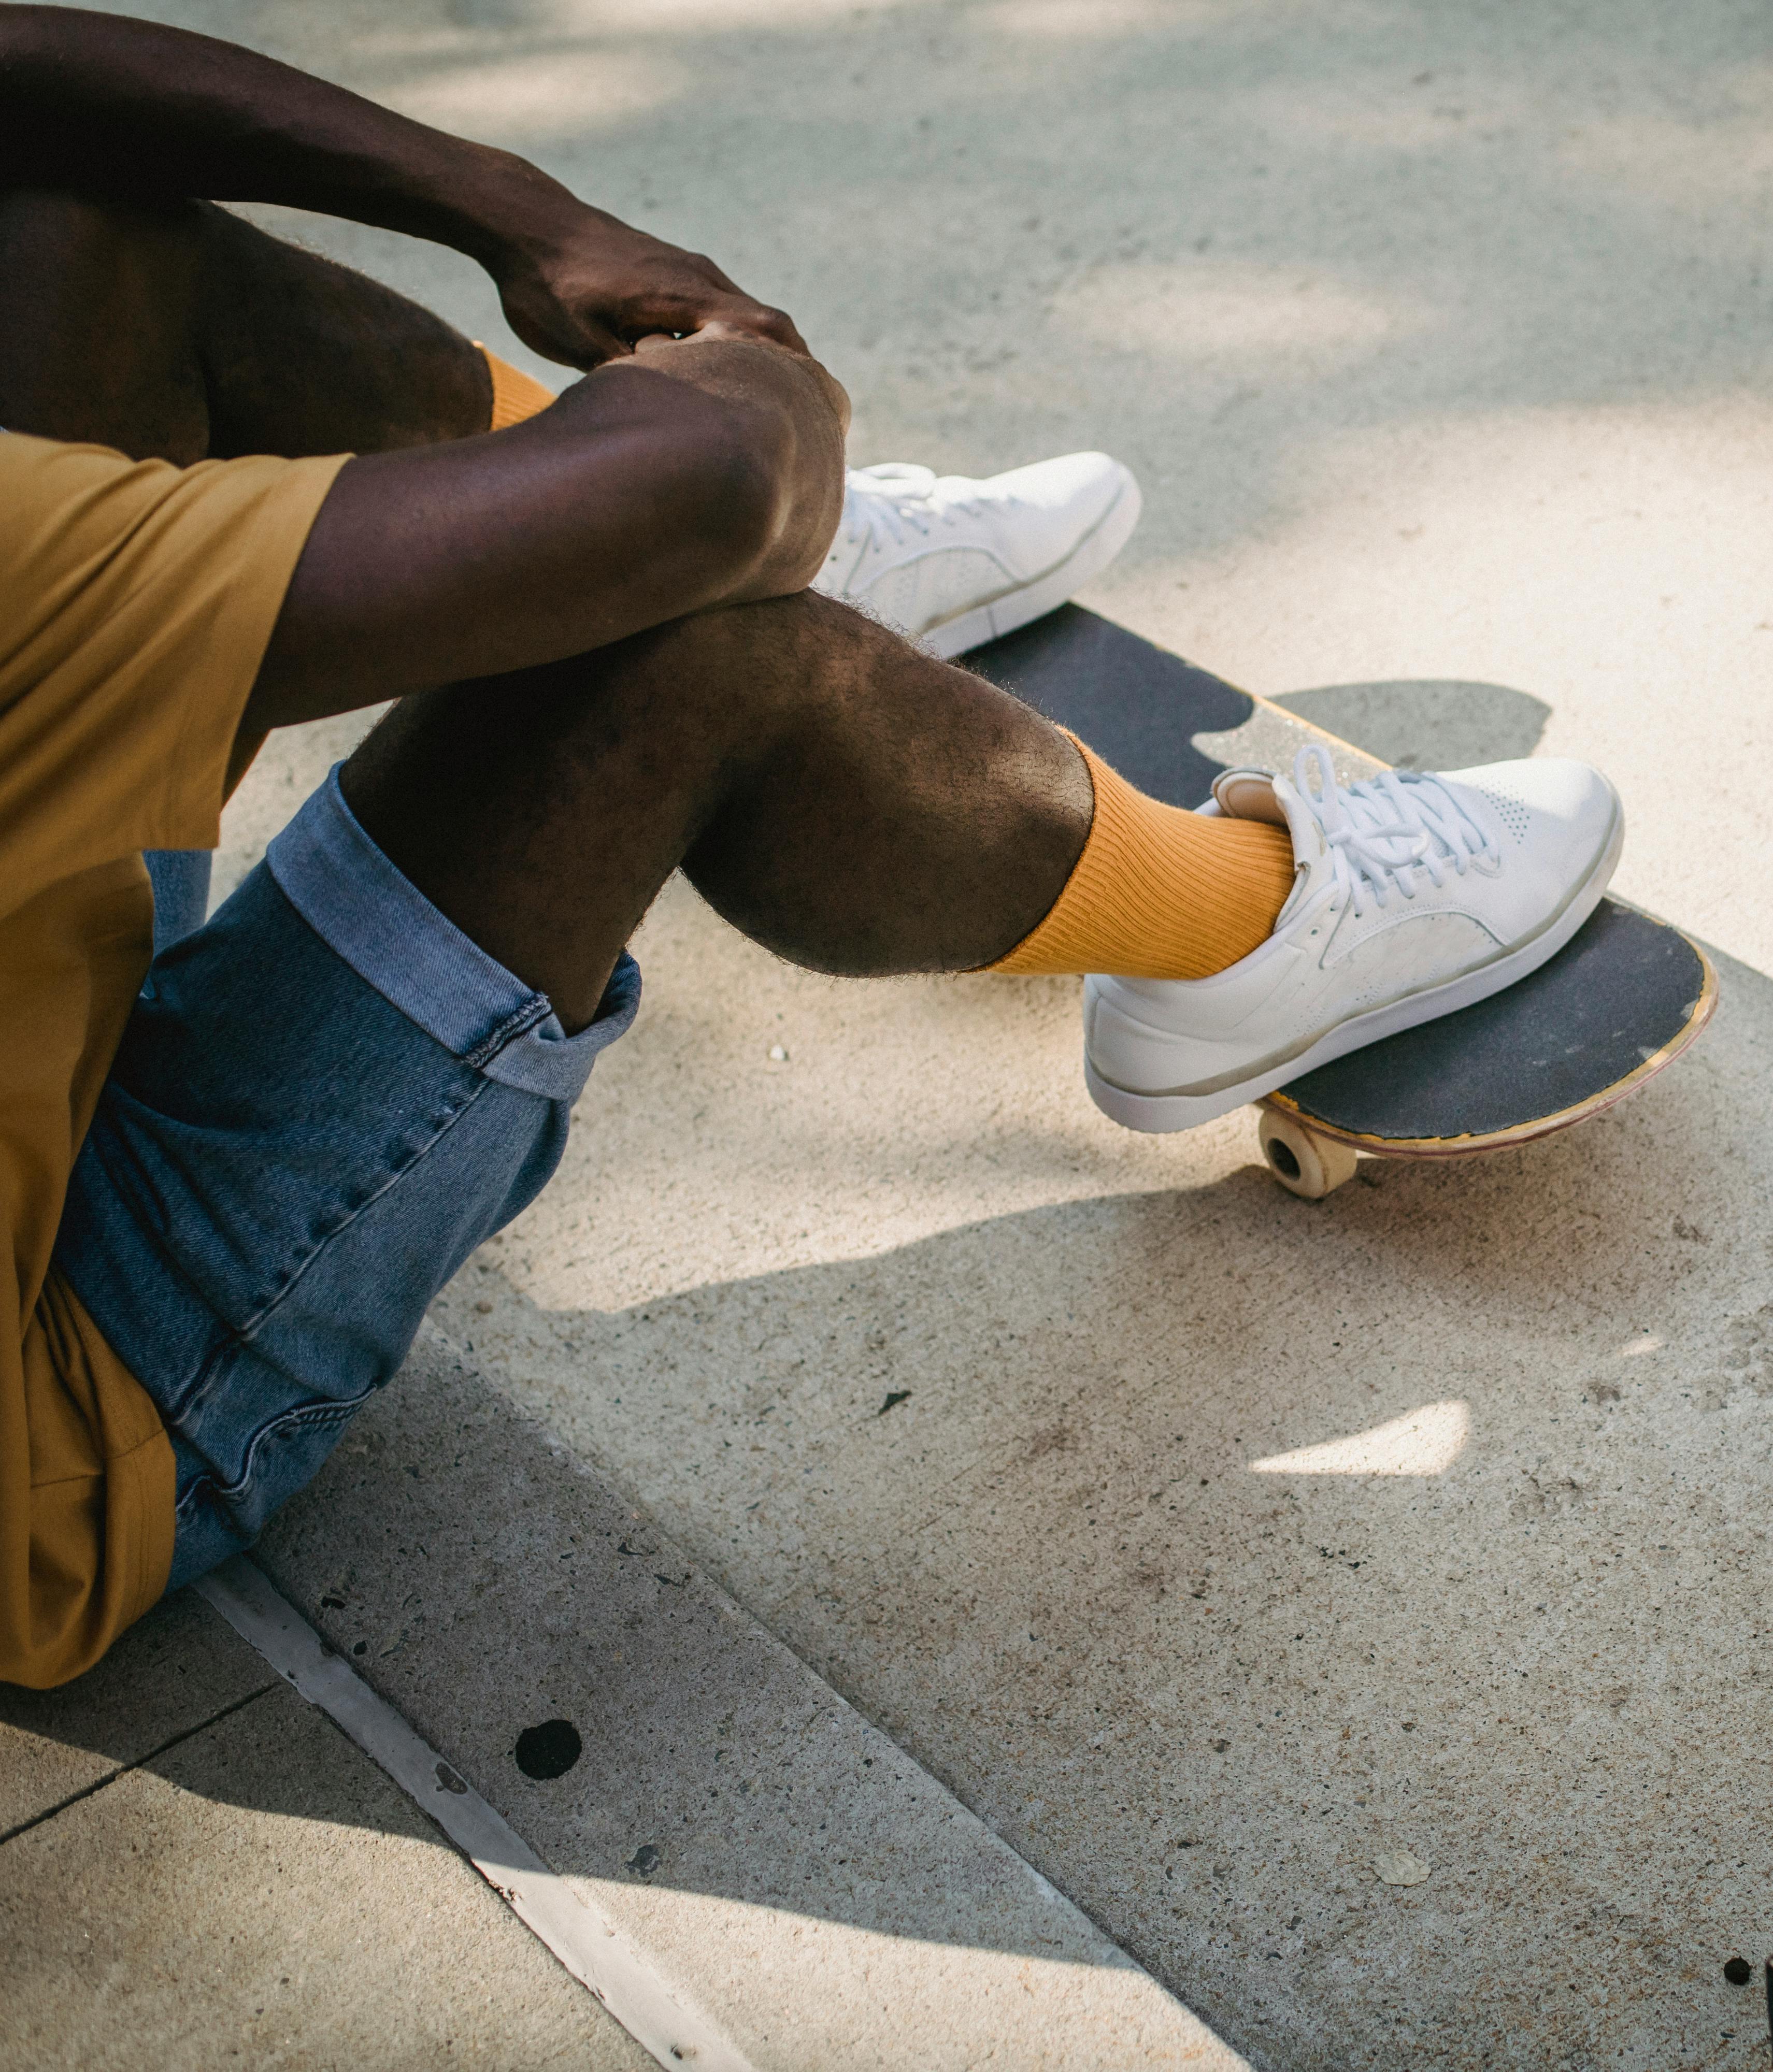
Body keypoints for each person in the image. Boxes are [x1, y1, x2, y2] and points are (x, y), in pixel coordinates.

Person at [0, 4, 1624, 1687]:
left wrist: (518, 210)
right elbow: (704, 477)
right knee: (687, 664)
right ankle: (1254, 938)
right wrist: (753, 431)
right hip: (63, 1422)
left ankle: (781, 559)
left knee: (71, 245)